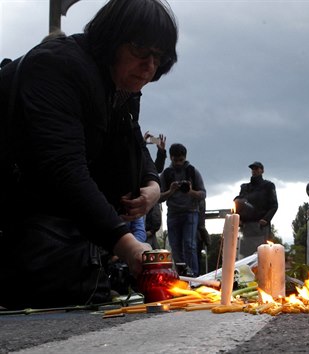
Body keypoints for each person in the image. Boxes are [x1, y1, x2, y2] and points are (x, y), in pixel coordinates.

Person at [0, 0, 178, 309]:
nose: (150, 66)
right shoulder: (58, 67)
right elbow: (63, 170)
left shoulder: (118, 87)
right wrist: (128, 245)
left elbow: (133, 140)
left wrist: (151, 185)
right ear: (112, 39)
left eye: (158, 57)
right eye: (141, 50)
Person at [160, 143, 206, 277]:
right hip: (173, 213)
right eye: (176, 160)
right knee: (175, 247)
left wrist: (190, 191)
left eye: (181, 160)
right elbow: (159, 197)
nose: (179, 163)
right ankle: (181, 276)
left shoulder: (192, 171)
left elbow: (203, 194)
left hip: (190, 212)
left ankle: (194, 276)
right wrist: (170, 191)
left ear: (185, 157)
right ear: (171, 158)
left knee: (190, 245)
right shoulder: (166, 174)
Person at [234, 161, 278, 259]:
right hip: (245, 228)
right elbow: (239, 204)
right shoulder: (245, 187)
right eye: (253, 169)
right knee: (244, 258)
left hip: (261, 227)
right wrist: (239, 218)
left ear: (262, 171)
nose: (254, 171)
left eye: (257, 169)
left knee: (261, 256)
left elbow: (274, 205)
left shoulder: (268, 186)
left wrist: (266, 219)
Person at [144, 131, 167, 249]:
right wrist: (142, 144)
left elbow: (156, 168)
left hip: (151, 222)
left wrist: (161, 152)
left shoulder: (148, 169)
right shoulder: (135, 161)